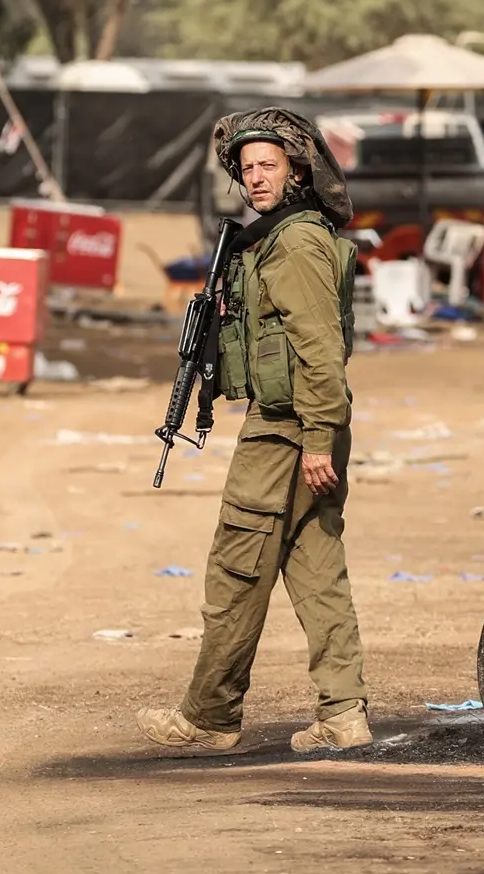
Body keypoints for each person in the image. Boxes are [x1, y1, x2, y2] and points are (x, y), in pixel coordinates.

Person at [137, 107, 371, 754]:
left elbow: (320, 349)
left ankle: (210, 715)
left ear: (297, 168)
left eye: (269, 165)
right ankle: (344, 715)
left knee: (237, 569)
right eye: (248, 169)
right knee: (316, 569)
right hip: (301, 423)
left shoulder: (294, 243)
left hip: (288, 428)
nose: (257, 177)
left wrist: (319, 436)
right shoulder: (276, 236)